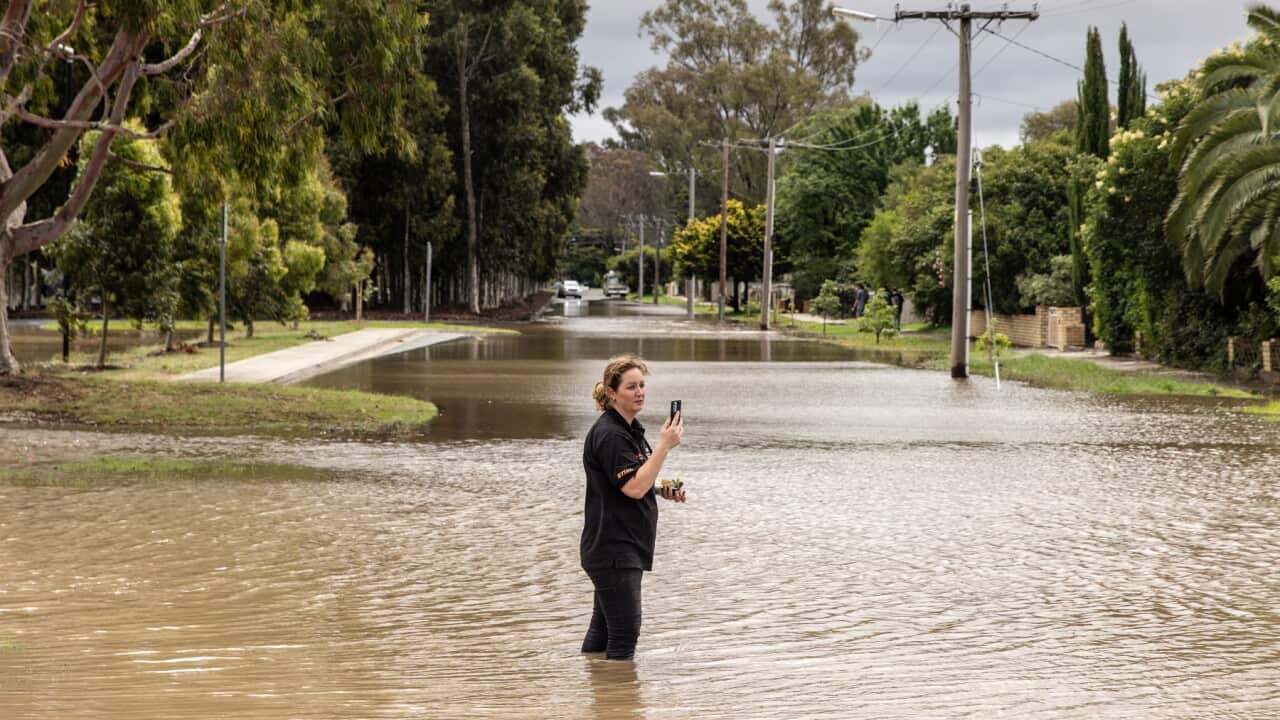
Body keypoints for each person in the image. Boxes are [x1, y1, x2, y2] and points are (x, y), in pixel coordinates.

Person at [580, 354, 685, 661]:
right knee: (625, 634)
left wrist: (660, 489)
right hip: (614, 549)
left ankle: (594, 691)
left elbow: (633, 483)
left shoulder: (629, 431)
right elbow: (633, 487)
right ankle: (618, 703)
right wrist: (665, 445)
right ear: (612, 392)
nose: (639, 392)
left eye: (642, 385)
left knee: (603, 632)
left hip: (617, 548)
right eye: (630, 387)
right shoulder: (611, 434)